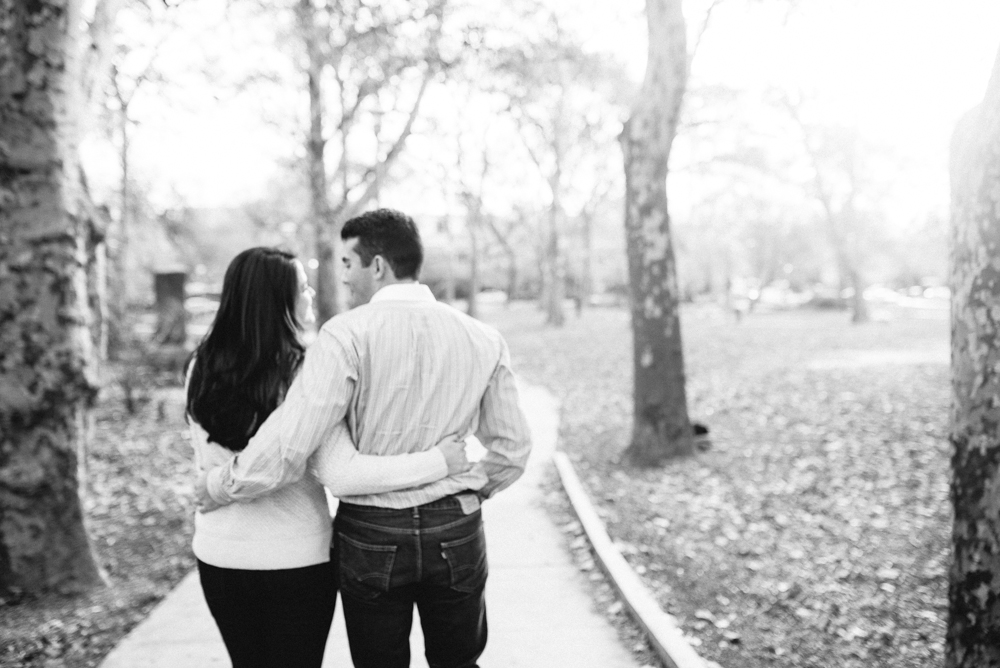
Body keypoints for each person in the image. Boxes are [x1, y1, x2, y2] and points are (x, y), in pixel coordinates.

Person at [197, 209, 532, 668]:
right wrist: (468, 490)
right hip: (455, 527)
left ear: (378, 266)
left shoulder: (345, 337)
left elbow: (290, 445)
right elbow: (512, 450)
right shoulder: (483, 338)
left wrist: (221, 485)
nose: (344, 279)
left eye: (348, 264)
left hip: (374, 536)